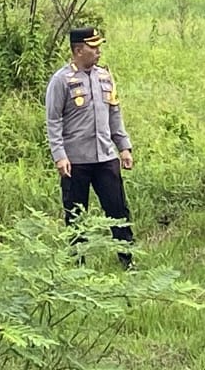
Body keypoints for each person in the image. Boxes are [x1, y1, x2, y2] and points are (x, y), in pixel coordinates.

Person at [44, 26, 134, 266]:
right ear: (78, 50)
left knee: (118, 211)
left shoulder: (105, 76)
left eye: (99, 47)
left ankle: (127, 260)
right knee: (76, 215)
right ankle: (78, 264)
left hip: (105, 157)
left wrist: (123, 147)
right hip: (75, 161)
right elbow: (53, 121)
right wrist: (59, 156)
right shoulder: (61, 80)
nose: (98, 52)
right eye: (93, 48)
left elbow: (115, 113)